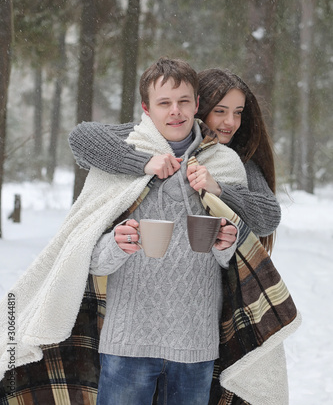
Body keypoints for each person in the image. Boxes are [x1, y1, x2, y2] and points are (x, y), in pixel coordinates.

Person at [87, 57, 248, 405]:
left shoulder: (225, 164)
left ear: (196, 105)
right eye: (164, 103)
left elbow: (237, 262)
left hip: (195, 340)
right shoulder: (119, 160)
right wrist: (115, 244)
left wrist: (226, 244)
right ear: (147, 108)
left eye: (184, 101)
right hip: (127, 340)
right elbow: (90, 259)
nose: (175, 111)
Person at [69, 68, 281, 254]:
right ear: (198, 107)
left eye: (238, 113)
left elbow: (268, 218)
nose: (230, 122)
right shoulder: (151, 138)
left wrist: (221, 190)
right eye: (220, 111)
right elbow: (82, 137)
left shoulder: (237, 161)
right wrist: (143, 162)